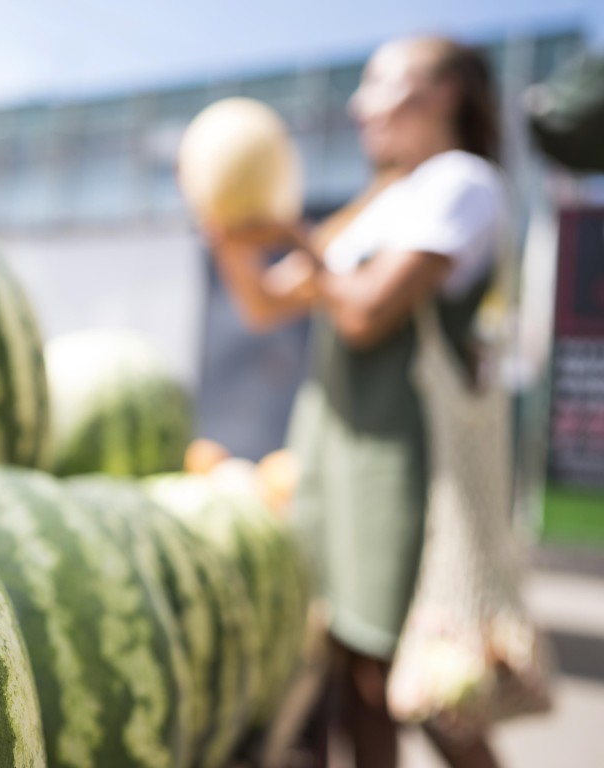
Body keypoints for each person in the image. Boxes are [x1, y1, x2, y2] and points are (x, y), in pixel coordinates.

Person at [208, 36, 508, 768]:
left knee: (416, 679)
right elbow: (264, 304)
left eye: (380, 83)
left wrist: (295, 239)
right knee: (355, 675)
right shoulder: (384, 196)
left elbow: (368, 314)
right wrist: (223, 225)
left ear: (440, 95)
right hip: (334, 455)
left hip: (396, 462)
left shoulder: (461, 183)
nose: (359, 102)